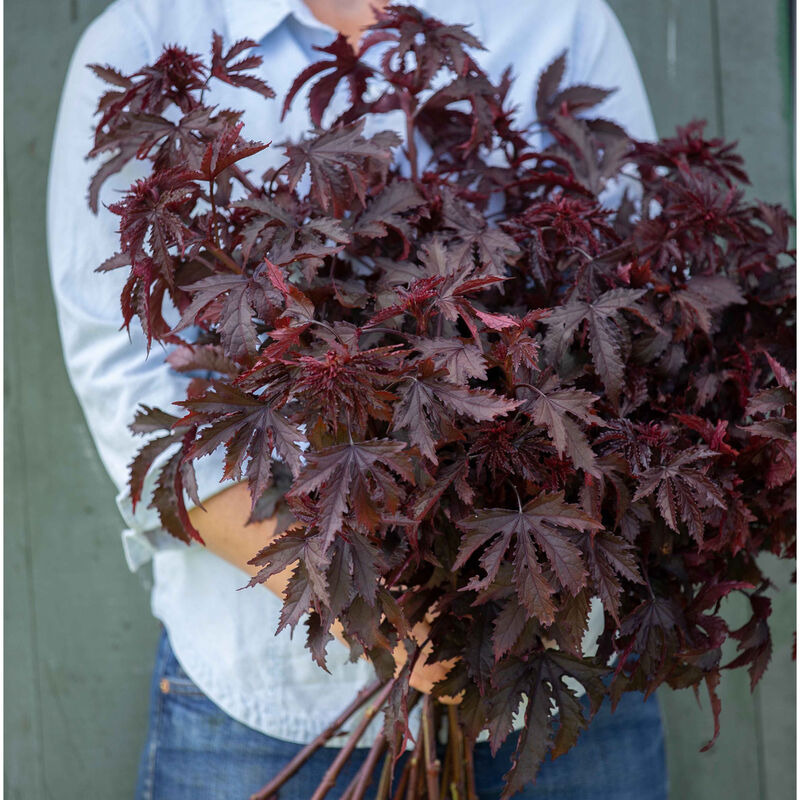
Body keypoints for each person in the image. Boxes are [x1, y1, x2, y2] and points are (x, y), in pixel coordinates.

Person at [46, 0, 668, 797]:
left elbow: (644, 291)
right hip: (273, 707)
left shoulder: (560, 15)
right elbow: (122, 375)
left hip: (554, 670)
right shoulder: (141, 39)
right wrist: (376, 612)